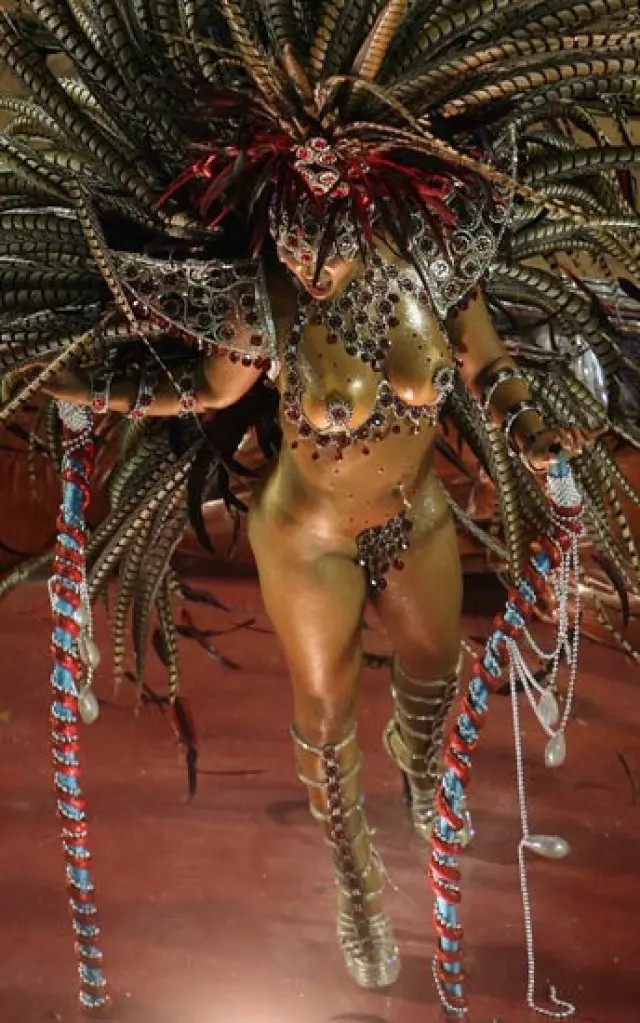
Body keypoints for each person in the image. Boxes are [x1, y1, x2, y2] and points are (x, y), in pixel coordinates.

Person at [1, 0, 638, 1002]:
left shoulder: (435, 260)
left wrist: (531, 432)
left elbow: (489, 369)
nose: (306, 252)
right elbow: (203, 391)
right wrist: (93, 392)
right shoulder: (266, 297)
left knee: (434, 671)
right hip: (308, 536)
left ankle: (423, 775)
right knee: (326, 707)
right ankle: (355, 879)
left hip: (414, 513)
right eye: (293, 230)